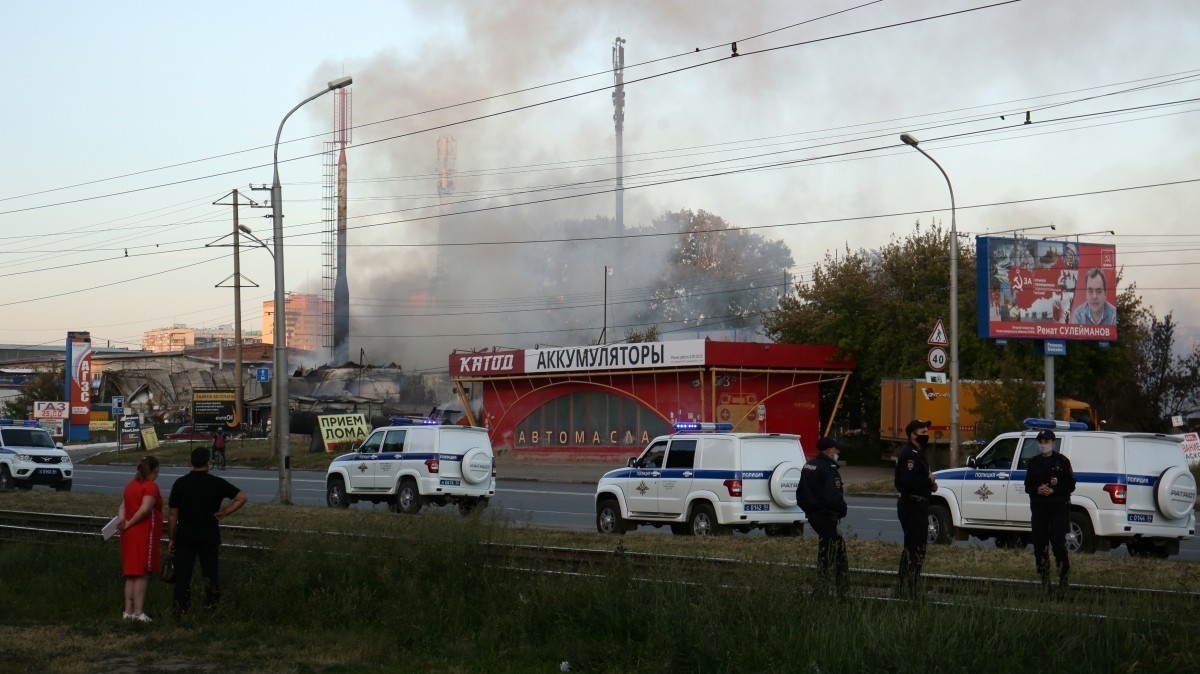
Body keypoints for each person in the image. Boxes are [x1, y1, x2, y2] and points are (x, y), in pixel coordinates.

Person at [167, 447, 248, 617]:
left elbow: (173, 515)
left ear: (191, 462)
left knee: (182, 576)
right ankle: (211, 609)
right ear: (208, 463)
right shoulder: (216, 483)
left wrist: (172, 537)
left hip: (185, 536)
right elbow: (242, 497)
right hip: (209, 535)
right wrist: (225, 512)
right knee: (210, 575)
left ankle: (180, 611)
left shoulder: (180, 483)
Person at [1023, 429, 1076, 596]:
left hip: (1058, 507)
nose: (1043, 445)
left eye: (1046, 442)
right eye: (1041, 442)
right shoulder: (1033, 462)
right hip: (1039, 508)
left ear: (1053, 443)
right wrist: (1038, 489)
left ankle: (1063, 580)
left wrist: (1054, 490)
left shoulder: (1062, 461)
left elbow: (1071, 485)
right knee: (1040, 545)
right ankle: (1044, 580)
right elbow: (1027, 486)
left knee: (1058, 544)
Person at [797, 436, 849, 596]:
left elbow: (800, 494)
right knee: (835, 551)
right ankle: (837, 589)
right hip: (826, 515)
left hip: (814, 515)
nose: (837, 452)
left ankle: (823, 587)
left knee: (827, 548)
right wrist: (842, 509)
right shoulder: (829, 469)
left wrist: (811, 510)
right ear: (828, 451)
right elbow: (832, 495)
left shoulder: (808, 466)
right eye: (835, 449)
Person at [117, 455, 163, 622]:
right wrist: (129, 524)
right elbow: (145, 510)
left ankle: (128, 612)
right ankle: (138, 612)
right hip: (144, 533)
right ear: (155, 470)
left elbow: (122, 506)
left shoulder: (130, 485)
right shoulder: (151, 487)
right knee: (142, 573)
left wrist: (123, 521)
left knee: (131, 574)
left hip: (128, 535)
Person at [894, 419, 936, 598]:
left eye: (927, 432)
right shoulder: (910, 455)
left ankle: (907, 585)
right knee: (914, 548)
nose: (926, 435)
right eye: (923, 432)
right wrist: (928, 481)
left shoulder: (918, 453)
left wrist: (930, 485)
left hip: (919, 503)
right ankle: (909, 588)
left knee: (916, 547)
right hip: (912, 505)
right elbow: (906, 482)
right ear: (913, 434)